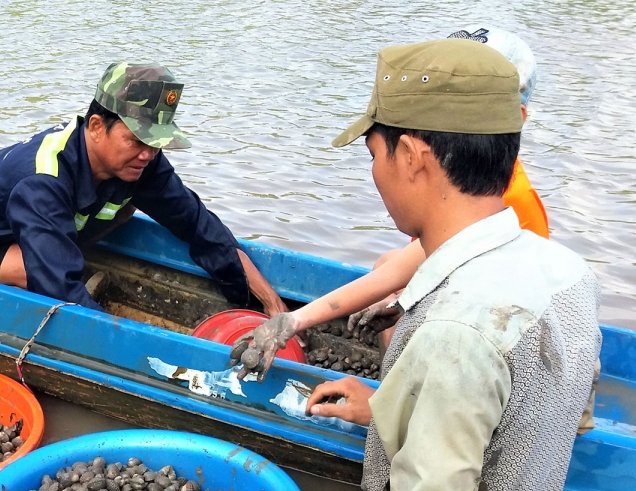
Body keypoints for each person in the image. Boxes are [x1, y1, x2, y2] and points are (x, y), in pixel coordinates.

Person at [182, 39, 601, 491]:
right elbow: (537, 423)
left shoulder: (455, 332)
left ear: (412, 155)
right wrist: (391, 408)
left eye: (374, 154)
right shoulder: (565, 273)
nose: (373, 173)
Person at [230, 26, 549, 380]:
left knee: (400, 299)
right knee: (388, 264)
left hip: (495, 336)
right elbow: (405, 265)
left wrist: (296, 319)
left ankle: (392, 398)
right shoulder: (476, 180)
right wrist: (292, 319)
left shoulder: (500, 199)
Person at [0, 61, 287, 316]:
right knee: (38, 269)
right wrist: (120, 338)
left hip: (30, 229)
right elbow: (57, 286)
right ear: (95, 126)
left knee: (126, 209)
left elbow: (199, 226)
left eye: (156, 143)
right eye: (137, 140)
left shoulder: (143, 163)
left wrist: (266, 303)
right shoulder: (43, 177)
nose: (147, 153)